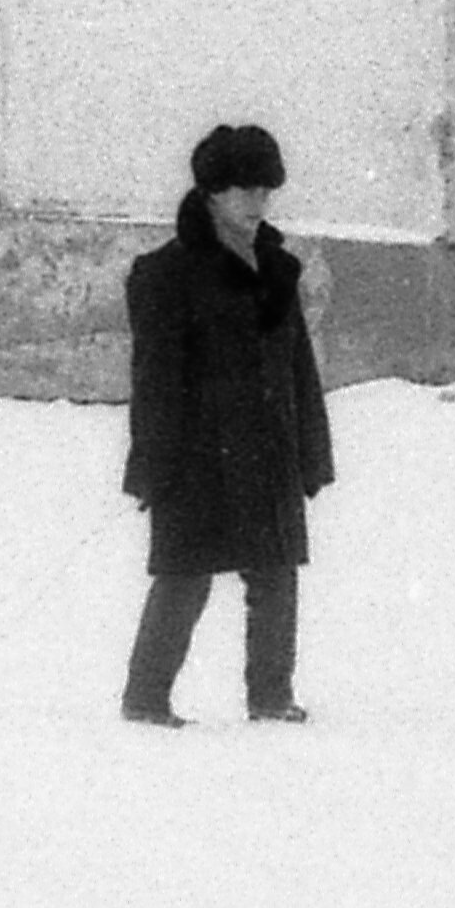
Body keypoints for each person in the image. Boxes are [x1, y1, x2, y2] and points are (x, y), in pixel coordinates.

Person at [119, 124, 333, 726]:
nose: (257, 203)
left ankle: (271, 696)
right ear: (211, 192)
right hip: (197, 453)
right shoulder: (165, 275)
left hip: (267, 449)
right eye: (243, 189)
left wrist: (312, 452)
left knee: (276, 576)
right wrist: (153, 462)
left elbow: (299, 370)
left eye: (265, 190)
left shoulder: (276, 269)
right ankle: (145, 700)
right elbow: (154, 380)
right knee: (184, 577)